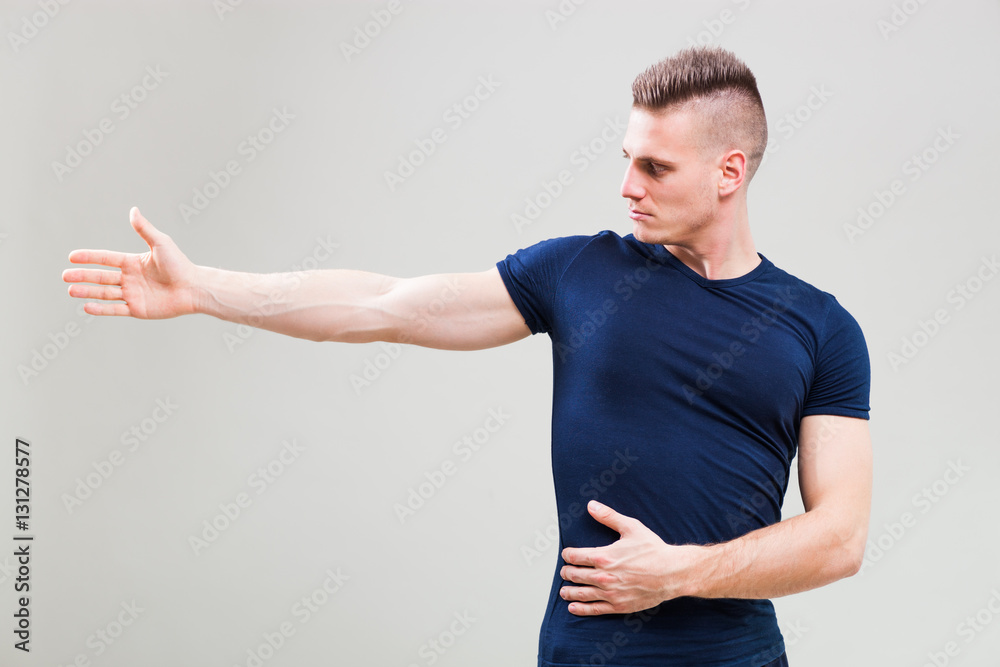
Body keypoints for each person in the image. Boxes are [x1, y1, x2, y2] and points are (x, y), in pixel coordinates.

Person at [63, 46, 871, 667]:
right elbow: (381, 306)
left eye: (654, 166)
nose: (627, 184)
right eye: (626, 156)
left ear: (730, 171)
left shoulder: (821, 328)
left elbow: (840, 537)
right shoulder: (580, 272)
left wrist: (677, 572)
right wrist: (204, 287)